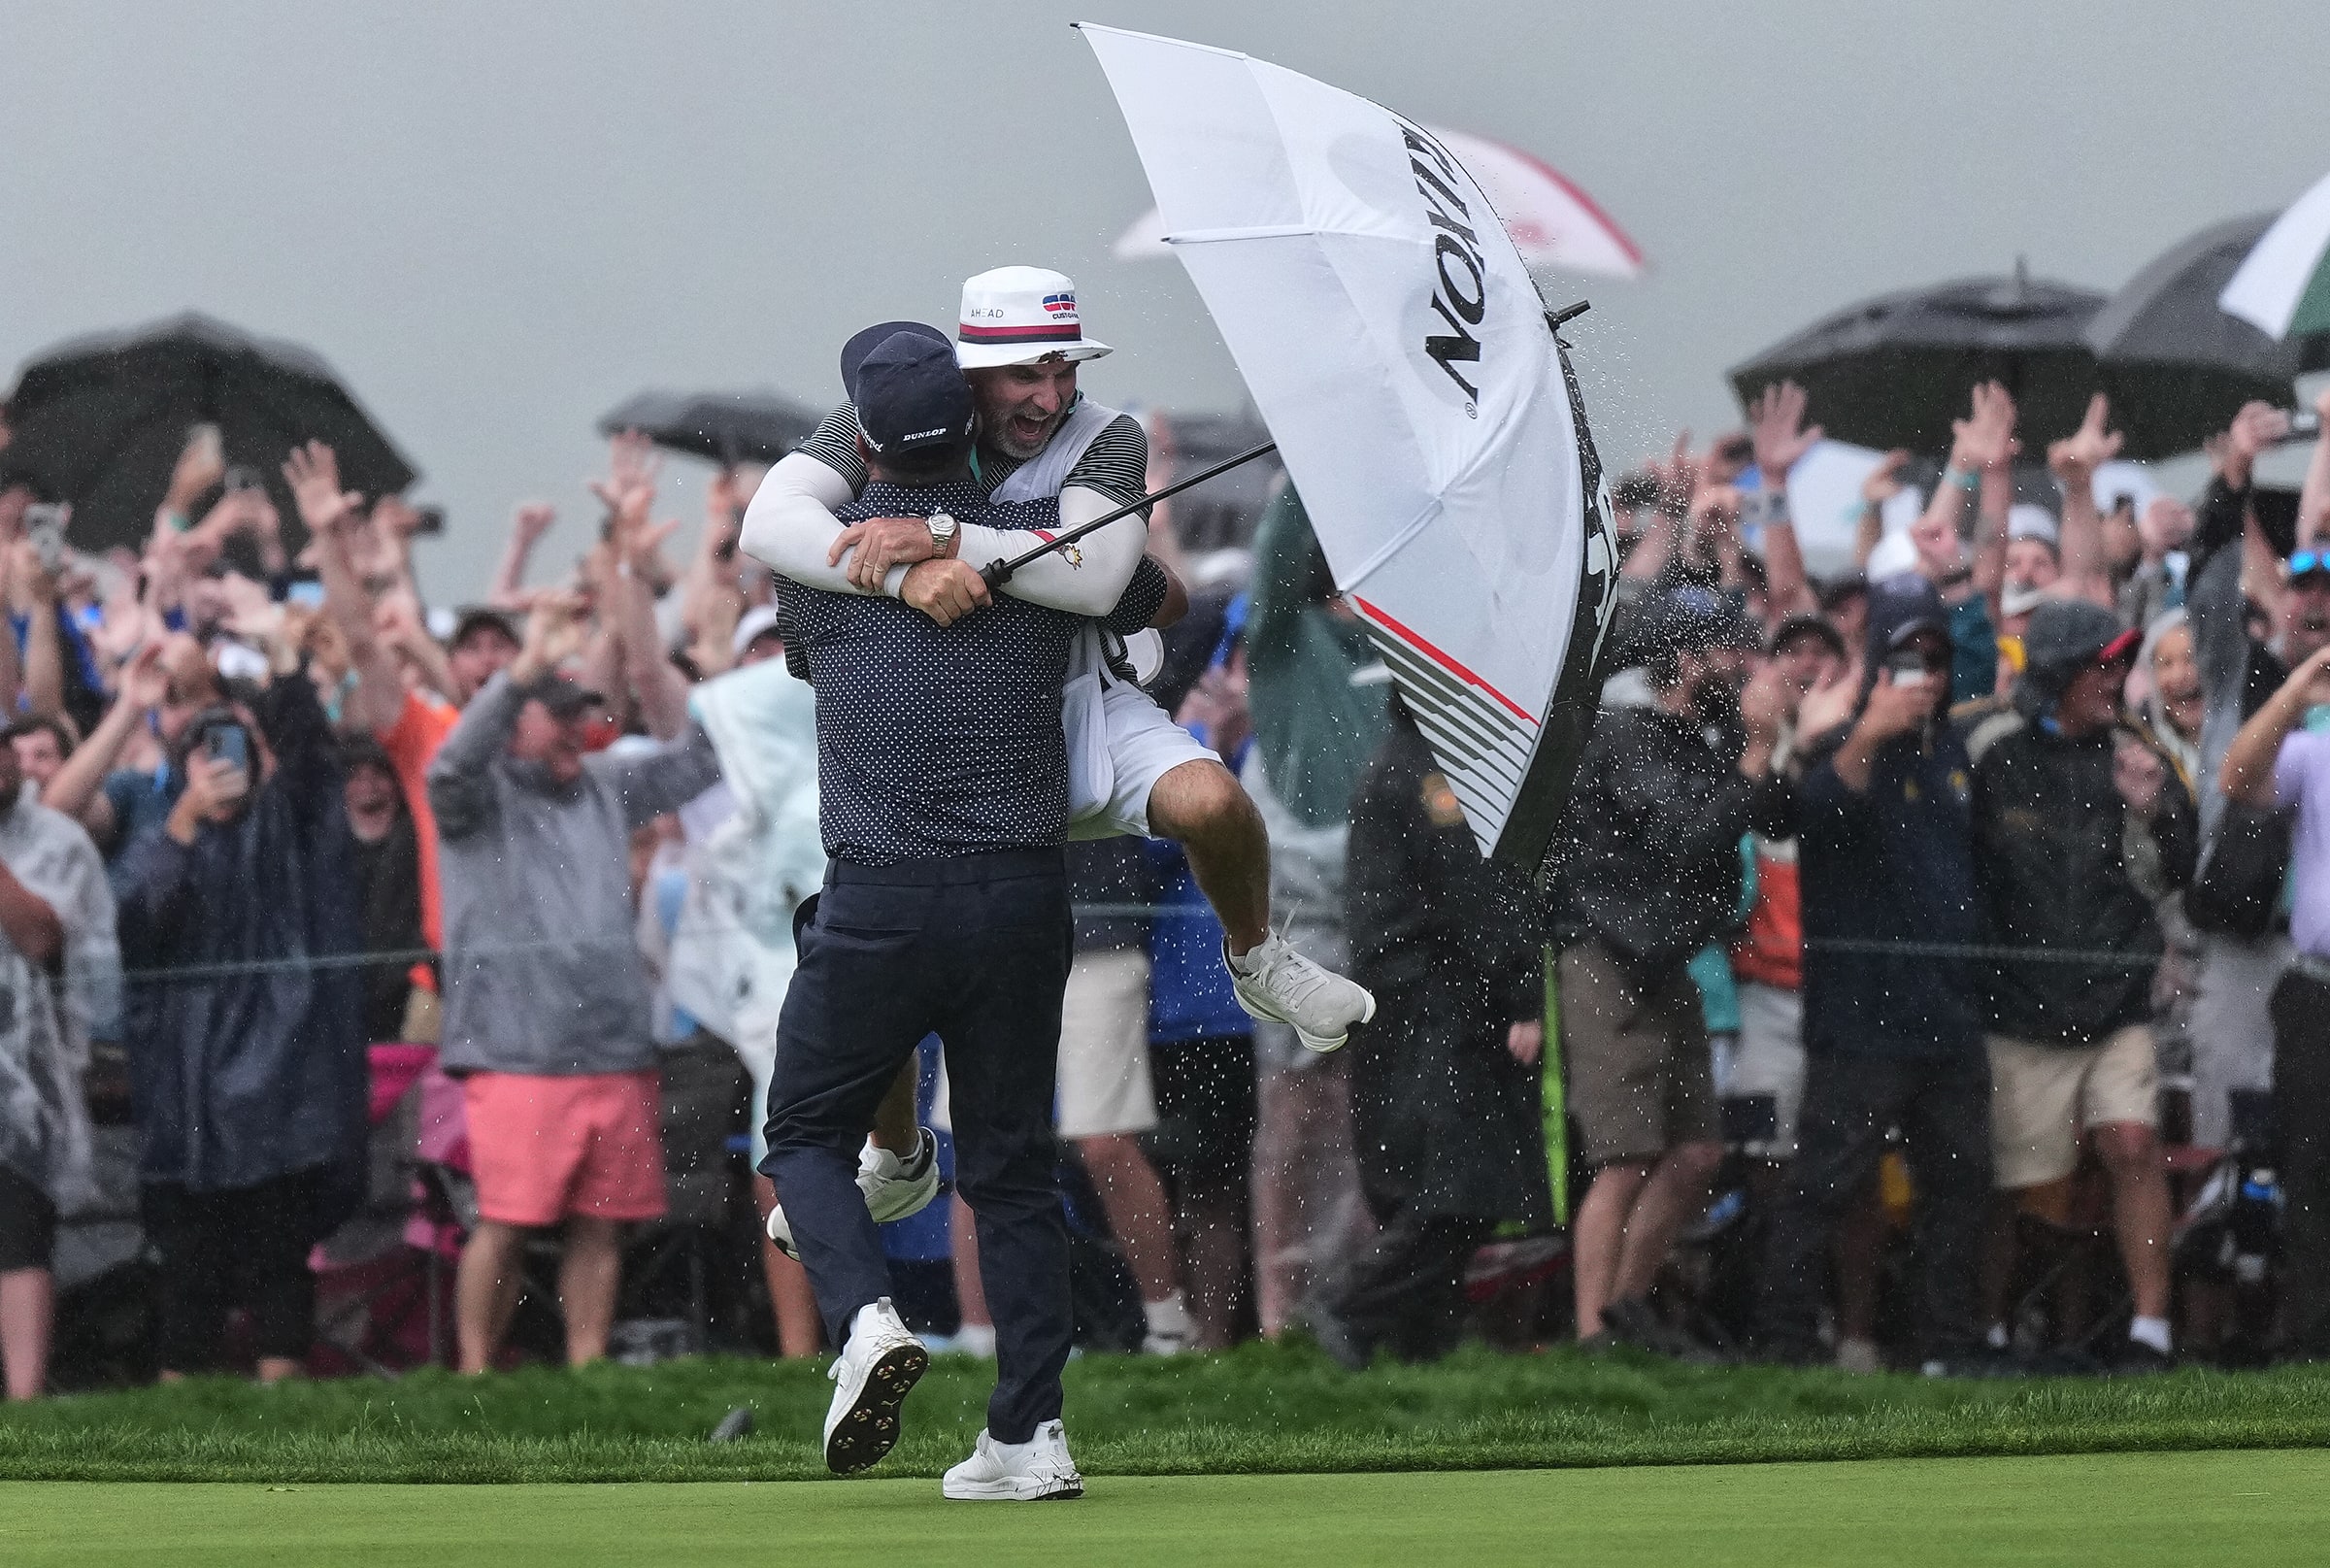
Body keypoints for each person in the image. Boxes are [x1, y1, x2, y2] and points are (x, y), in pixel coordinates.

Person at [759, 322, 1169, 1498]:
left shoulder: (818, 586)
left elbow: (800, 563)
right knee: (1011, 1170)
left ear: (866, 437)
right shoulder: (1044, 556)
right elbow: (1146, 592)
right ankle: (1030, 1436)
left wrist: (895, 557)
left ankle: (869, 1321)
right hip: (1026, 897)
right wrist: (999, 549)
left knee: (803, 1137)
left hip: (884, 894)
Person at [428, 577, 720, 1375]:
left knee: (602, 1222)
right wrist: (521, 669)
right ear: (514, 719)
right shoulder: (472, 797)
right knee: (507, 1221)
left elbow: (701, 761)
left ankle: (589, 1368)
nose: (576, 728)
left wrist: (695, 653)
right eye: (557, 714)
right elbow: (449, 759)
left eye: (579, 713)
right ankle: (474, 1371)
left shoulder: (601, 785)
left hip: (614, 1050)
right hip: (515, 1054)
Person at [1754, 575, 1994, 1372]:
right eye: (1906, 655)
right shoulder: (1840, 734)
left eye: (1935, 654)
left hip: (1949, 1018)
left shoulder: (1954, 746)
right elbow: (1811, 817)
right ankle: (1784, 1343)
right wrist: (1869, 731)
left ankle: (1948, 1347)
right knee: (1822, 1188)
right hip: (1861, 1020)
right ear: (1877, 661)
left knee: (1961, 1191)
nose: (1925, 671)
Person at [114, 673, 368, 1383]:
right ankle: (180, 1437)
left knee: (279, 1263)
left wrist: (286, 679)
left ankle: (278, 1432)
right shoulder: (161, 830)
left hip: (282, 1094)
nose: (218, 759)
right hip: (188, 1097)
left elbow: (315, 765)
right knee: (189, 1272)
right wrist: (184, 825)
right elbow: (137, 922)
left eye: (234, 745)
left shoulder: (289, 828)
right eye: (201, 747)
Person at [1964, 599, 2194, 1370]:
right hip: (2019, 1006)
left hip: (2118, 1001)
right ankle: (1993, 1330)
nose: (2119, 679)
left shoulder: (2137, 752)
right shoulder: (1994, 753)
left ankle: (2152, 1334)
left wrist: (2155, 808)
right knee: (2018, 1184)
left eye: (2122, 663)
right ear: (2059, 671)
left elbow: (2180, 872)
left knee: (2132, 1143)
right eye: (2103, 664)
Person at [1552, 584, 1782, 1348]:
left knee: (1695, 1153)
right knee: (1624, 1160)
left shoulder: (1697, 734)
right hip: (1606, 958)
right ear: (1682, 660)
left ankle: (1628, 1308)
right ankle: (1592, 1336)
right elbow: (1685, 836)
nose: (1742, 666)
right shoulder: (1620, 732)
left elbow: (1771, 814)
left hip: (1667, 958)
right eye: (1726, 652)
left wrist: (1768, 754)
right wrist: (1752, 755)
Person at [1315, 699, 1551, 1367]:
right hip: (1435, 1002)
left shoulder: (1400, 762)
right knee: (1462, 1185)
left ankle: (1422, 1336)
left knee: (1426, 1181)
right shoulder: (1431, 774)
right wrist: (1520, 992)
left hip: (1405, 998)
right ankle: (1354, 1307)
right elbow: (1468, 888)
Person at [2219, 638, 2330, 1359]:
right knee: (2314, 1169)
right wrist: (2297, 690)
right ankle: (2320, 1344)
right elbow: (2236, 777)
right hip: (2319, 991)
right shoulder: (2317, 749)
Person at [0, 730, 116, 1400]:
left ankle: (25, 1404)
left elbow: (42, 934)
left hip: (26, 1074)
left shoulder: (55, 839)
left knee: (17, 1232)